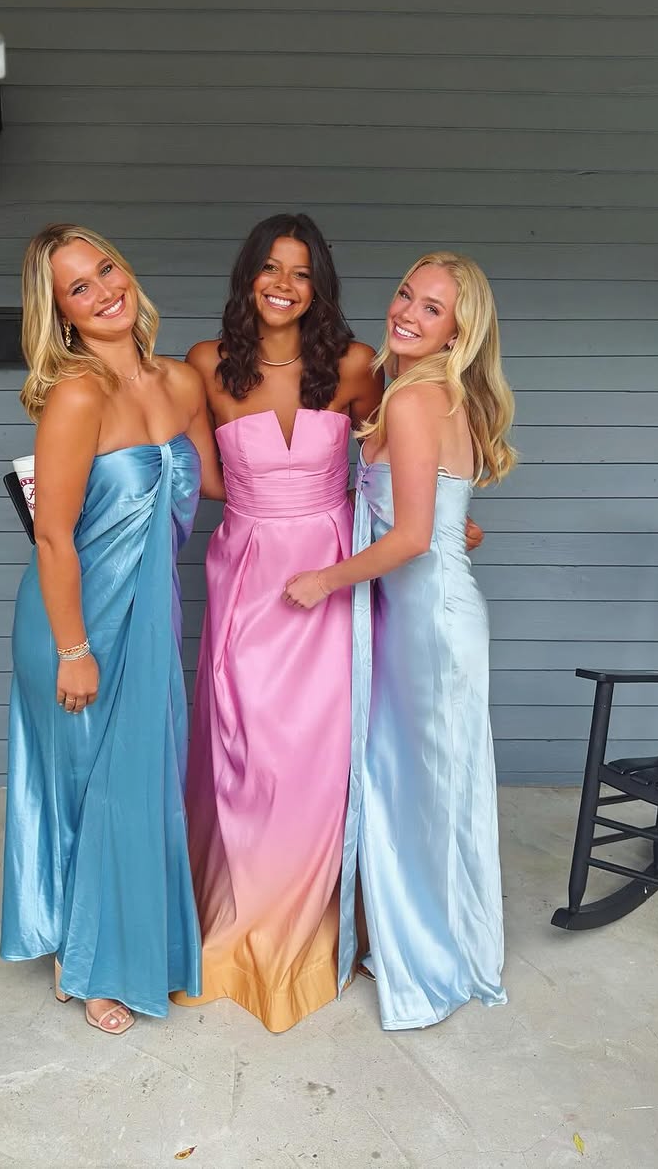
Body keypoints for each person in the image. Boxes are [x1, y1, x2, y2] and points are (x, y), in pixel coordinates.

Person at [0, 223, 222, 1035]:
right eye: (78, 288)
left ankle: (104, 940)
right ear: (60, 313)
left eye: (105, 269)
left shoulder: (182, 382)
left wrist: (367, 488)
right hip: (77, 622)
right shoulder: (78, 396)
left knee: (137, 786)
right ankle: (89, 960)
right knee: (89, 790)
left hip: (150, 614)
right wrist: (73, 650)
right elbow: (53, 538)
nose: (103, 292)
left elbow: (224, 484)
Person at [283, 251, 515, 1030]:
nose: (408, 313)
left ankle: (434, 960)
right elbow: (435, 516)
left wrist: (324, 579)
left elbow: (414, 537)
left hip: (430, 624)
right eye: (407, 295)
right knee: (418, 786)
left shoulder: (417, 399)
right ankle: (431, 939)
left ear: (458, 332)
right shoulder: (421, 391)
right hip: (417, 617)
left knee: (429, 790)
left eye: (432, 308)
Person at [171, 213, 382, 1032]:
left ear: (318, 285)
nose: (283, 284)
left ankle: (316, 919)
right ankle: (242, 911)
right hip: (251, 572)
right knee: (249, 747)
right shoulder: (205, 364)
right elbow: (203, 478)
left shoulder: (356, 365)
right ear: (247, 277)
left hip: (331, 572)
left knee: (319, 753)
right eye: (270, 267)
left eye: (300, 271)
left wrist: (438, 519)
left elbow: (392, 460)